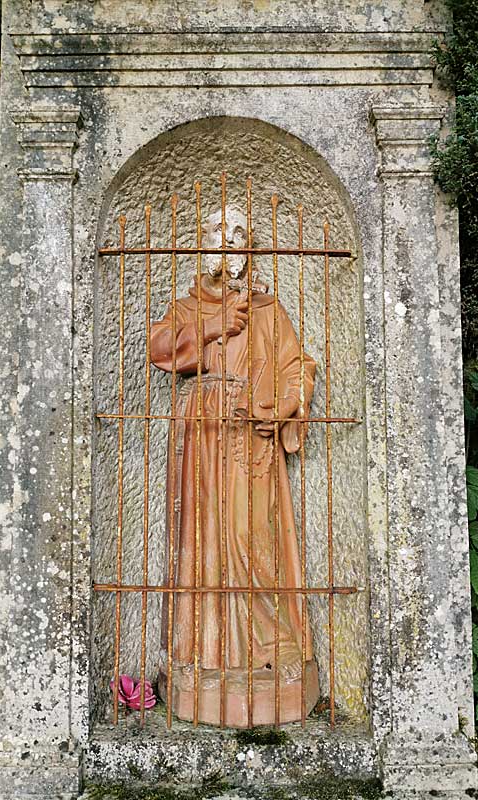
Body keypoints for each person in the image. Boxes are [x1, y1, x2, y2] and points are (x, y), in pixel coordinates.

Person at [150, 206, 319, 726]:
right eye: (220, 231)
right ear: (204, 241)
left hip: (250, 432)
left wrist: (281, 405)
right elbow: (158, 348)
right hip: (201, 433)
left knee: (251, 536)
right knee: (202, 541)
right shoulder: (187, 307)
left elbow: (299, 367)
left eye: (240, 232)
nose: (229, 240)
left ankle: (272, 648)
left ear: (249, 247)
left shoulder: (268, 309)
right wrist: (210, 326)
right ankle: (207, 654)